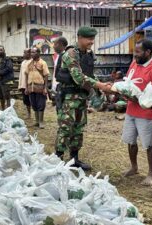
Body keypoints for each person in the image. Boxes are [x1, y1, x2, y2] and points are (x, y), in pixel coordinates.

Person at [54, 26, 112, 170]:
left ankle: (74, 159)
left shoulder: (89, 54)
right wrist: (99, 85)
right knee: (65, 129)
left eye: (93, 39)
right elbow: (79, 78)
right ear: (79, 37)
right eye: (88, 39)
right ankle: (58, 160)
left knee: (78, 130)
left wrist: (102, 85)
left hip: (81, 98)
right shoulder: (70, 54)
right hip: (69, 98)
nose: (91, 42)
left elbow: (90, 75)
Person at [121, 39, 152, 186]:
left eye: (138, 52)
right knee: (130, 141)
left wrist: (137, 97)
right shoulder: (134, 63)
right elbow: (127, 82)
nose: (135, 54)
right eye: (135, 51)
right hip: (131, 109)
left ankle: (151, 174)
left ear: (148, 52)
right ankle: (134, 167)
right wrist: (124, 91)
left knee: (148, 144)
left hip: (146, 113)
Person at [25, 47, 50, 129]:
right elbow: (26, 75)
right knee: (34, 104)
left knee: (41, 104)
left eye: (33, 52)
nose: (31, 54)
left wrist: (45, 88)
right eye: (31, 52)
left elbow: (46, 76)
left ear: (38, 53)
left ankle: (41, 122)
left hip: (40, 87)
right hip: (31, 87)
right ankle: (37, 121)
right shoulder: (29, 63)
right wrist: (26, 87)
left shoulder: (43, 63)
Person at [0, 45, 14, 110]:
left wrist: (0, 73)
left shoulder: (8, 59)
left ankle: (8, 111)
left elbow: (9, 68)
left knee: (7, 96)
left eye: (1, 50)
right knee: (1, 97)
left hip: (6, 80)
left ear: (4, 51)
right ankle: (3, 110)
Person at [53, 36, 68, 112]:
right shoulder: (59, 56)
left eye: (55, 44)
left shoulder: (66, 56)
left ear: (61, 45)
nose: (53, 46)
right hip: (60, 86)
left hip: (65, 88)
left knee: (62, 110)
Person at [18, 48, 32, 118]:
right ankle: (29, 113)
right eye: (23, 53)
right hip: (24, 84)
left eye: (25, 53)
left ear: (29, 53)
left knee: (32, 99)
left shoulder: (32, 62)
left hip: (30, 84)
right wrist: (20, 85)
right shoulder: (23, 62)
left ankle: (36, 113)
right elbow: (21, 75)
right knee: (26, 100)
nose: (23, 54)